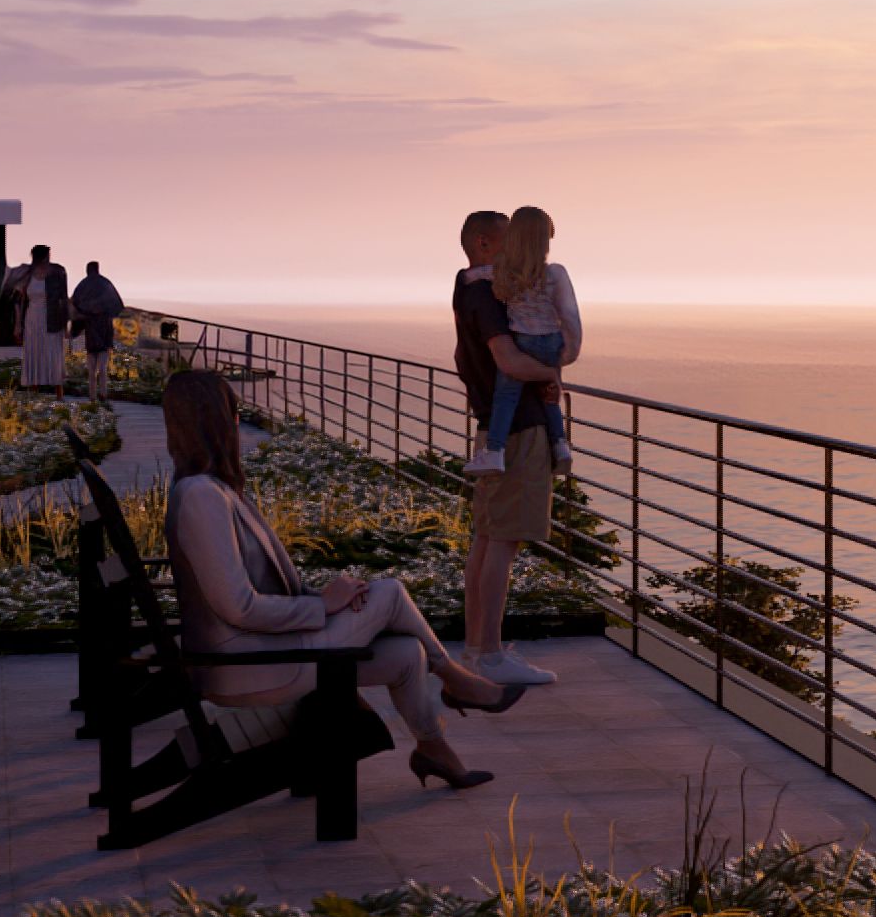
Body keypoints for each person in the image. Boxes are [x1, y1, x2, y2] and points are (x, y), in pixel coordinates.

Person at [159, 369, 521, 789]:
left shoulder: (214, 490)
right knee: (388, 593)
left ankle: (433, 748)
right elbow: (238, 606)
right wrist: (323, 605)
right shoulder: (203, 496)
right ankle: (457, 681)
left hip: (265, 651)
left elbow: (259, 591)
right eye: (234, 413)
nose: (239, 424)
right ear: (220, 422)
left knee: (406, 654)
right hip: (249, 664)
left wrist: (329, 597)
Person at [452, 208, 564, 689]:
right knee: (504, 542)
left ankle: (479, 649)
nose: (519, 250)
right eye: (507, 241)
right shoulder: (487, 296)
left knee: (487, 538)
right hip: (518, 430)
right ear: (483, 243)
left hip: (500, 429)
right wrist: (550, 373)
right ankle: (491, 656)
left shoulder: (467, 288)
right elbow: (508, 358)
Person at [468, 206, 582, 476]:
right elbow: (569, 314)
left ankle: (494, 451)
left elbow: (476, 275)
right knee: (549, 396)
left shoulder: (505, 273)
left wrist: (466, 277)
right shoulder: (554, 273)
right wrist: (568, 352)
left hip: (522, 340)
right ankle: (561, 445)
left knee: (506, 396)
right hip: (550, 341)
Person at [9, 244, 68, 391]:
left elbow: (64, 299)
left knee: (54, 353)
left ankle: (58, 391)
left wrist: (65, 324)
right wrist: (17, 325)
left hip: (53, 318)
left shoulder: (58, 271)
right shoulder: (28, 274)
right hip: (32, 317)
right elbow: (17, 301)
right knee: (34, 352)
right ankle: (34, 389)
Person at [69, 259, 125, 399]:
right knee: (103, 367)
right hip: (105, 329)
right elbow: (118, 306)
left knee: (92, 367)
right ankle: (103, 393)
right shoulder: (106, 284)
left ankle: (92, 395)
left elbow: (74, 305)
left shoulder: (83, 285)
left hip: (91, 329)